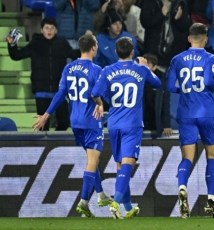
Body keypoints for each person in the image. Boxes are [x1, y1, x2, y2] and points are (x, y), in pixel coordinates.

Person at [32, 34, 113, 217]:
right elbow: (97, 93)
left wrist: (46, 115)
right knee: (93, 161)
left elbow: (61, 93)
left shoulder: (68, 68)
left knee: (92, 160)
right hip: (91, 120)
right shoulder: (96, 69)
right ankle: (84, 202)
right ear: (93, 48)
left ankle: (100, 194)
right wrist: (101, 104)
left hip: (75, 121)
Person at [91, 37, 162, 219]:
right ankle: (116, 202)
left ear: (116, 52)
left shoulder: (107, 70)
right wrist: (146, 67)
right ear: (133, 52)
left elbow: (95, 94)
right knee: (128, 165)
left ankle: (129, 207)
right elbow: (158, 83)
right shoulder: (139, 69)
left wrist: (102, 103)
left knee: (121, 166)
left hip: (114, 124)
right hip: (132, 124)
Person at [167, 23, 214, 219]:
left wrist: (186, 90)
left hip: (186, 113)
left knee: (187, 157)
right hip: (207, 112)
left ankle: (183, 187)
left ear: (188, 38)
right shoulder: (211, 57)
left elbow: (170, 86)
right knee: (211, 155)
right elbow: (210, 81)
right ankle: (211, 201)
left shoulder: (177, 59)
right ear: (206, 38)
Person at [6, 17, 79, 131]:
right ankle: (45, 147)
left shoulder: (62, 43)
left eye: (52, 28)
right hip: (41, 91)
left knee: (64, 122)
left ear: (56, 30)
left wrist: (88, 46)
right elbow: (16, 55)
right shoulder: (35, 43)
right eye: (46, 28)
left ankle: (57, 145)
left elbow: (75, 54)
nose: (49, 30)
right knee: (43, 125)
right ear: (42, 30)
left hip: (59, 91)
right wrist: (12, 45)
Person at [142, 53, 172, 138]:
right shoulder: (136, 81)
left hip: (155, 123)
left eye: (147, 66)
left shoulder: (162, 82)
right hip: (139, 124)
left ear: (154, 67)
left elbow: (165, 104)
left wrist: (167, 124)